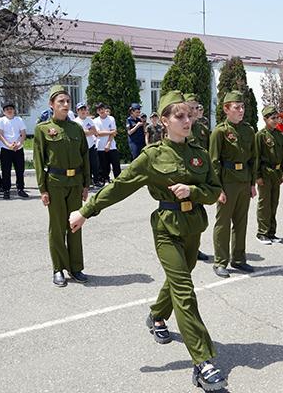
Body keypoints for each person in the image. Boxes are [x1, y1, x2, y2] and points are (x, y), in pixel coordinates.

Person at [68, 90, 227, 391]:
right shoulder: (153, 156)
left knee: (180, 277)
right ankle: (203, 362)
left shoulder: (200, 154)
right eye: (179, 116)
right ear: (164, 121)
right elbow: (120, 186)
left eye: (188, 115)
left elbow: (212, 190)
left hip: (193, 225)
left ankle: (156, 314)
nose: (186, 120)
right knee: (184, 290)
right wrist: (85, 211)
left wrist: (192, 191)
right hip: (166, 228)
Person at [33, 85, 90, 287]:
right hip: (55, 184)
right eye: (61, 102)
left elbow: (85, 156)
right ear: (52, 105)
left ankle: (76, 268)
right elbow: (39, 160)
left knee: (75, 225)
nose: (66, 105)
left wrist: (86, 185)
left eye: (68, 101)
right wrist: (42, 189)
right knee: (57, 228)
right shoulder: (42, 129)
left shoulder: (76, 128)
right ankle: (58, 269)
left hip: (75, 183)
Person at [209, 90, 257, 278]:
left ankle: (238, 259)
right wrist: (217, 188)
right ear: (226, 109)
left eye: (242, 107)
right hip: (227, 182)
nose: (241, 110)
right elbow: (213, 162)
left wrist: (252, 183)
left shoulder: (248, 130)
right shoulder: (220, 132)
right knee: (223, 223)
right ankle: (220, 262)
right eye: (237, 107)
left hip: (244, 180)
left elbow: (253, 158)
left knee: (241, 222)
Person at [185, 93, 211, 262]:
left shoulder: (202, 129)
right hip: (185, 179)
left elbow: (208, 153)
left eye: (196, 107)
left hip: (199, 178)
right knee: (184, 215)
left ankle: (195, 247)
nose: (195, 111)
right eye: (191, 108)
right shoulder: (180, 128)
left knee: (197, 215)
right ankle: (183, 247)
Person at [254, 106, 283, 244]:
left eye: (277, 118)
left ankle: (271, 232)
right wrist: (257, 176)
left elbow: (280, 155)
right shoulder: (260, 135)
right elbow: (256, 157)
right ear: (265, 119)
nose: (275, 120)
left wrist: (281, 173)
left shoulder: (279, 134)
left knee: (274, 203)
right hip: (265, 173)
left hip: (276, 173)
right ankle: (262, 232)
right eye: (272, 118)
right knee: (264, 204)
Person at [0, 103, 28, 199]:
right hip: (6, 149)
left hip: (18, 148)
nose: (9, 111)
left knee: (20, 169)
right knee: (6, 170)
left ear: (14, 110)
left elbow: (23, 134)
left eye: (11, 109)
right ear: (4, 111)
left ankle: (20, 189)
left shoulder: (19, 120)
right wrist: (8, 145)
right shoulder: (1, 120)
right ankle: (6, 190)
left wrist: (18, 144)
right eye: (6, 109)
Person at [74, 102, 102, 187]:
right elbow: (78, 133)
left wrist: (85, 132)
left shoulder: (89, 120)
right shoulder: (75, 122)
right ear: (77, 111)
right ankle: (86, 182)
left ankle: (96, 180)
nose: (83, 111)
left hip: (91, 146)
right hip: (81, 147)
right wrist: (87, 132)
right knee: (84, 165)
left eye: (84, 109)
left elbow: (94, 131)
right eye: (81, 109)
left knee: (94, 164)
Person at [94, 103, 121, 183]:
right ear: (97, 111)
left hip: (111, 146)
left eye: (102, 109)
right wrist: (110, 132)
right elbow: (98, 133)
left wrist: (108, 143)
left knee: (116, 164)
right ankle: (105, 179)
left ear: (104, 109)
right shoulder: (95, 121)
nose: (101, 111)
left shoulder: (111, 119)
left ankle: (118, 180)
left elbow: (114, 132)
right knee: (104, 166)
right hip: (100, 146)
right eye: (99, 110)